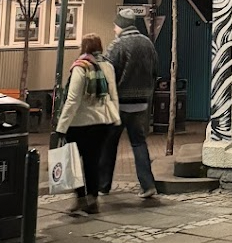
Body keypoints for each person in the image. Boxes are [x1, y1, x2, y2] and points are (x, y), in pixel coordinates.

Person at [55, 34, 119, 217]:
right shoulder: (107, 66)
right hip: (103, 122)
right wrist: (116, 117)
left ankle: (80, 198)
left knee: (74, 163)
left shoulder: (80, 67)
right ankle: (93, 200)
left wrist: (62, 126)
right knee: (93, 162)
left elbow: (73, 99)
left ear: (83, 48)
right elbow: (113, 93)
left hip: (80, 123)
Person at [100, 11, 159, 201]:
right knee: (139, 143)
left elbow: (107, 73)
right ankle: (148, 184)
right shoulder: (147, 44)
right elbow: (155, 70)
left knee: (109, 144)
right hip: (141, 103)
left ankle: (103, 185)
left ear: (122, 25)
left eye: (115, 25)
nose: (114, 29)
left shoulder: (117, 45)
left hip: (119, 103)